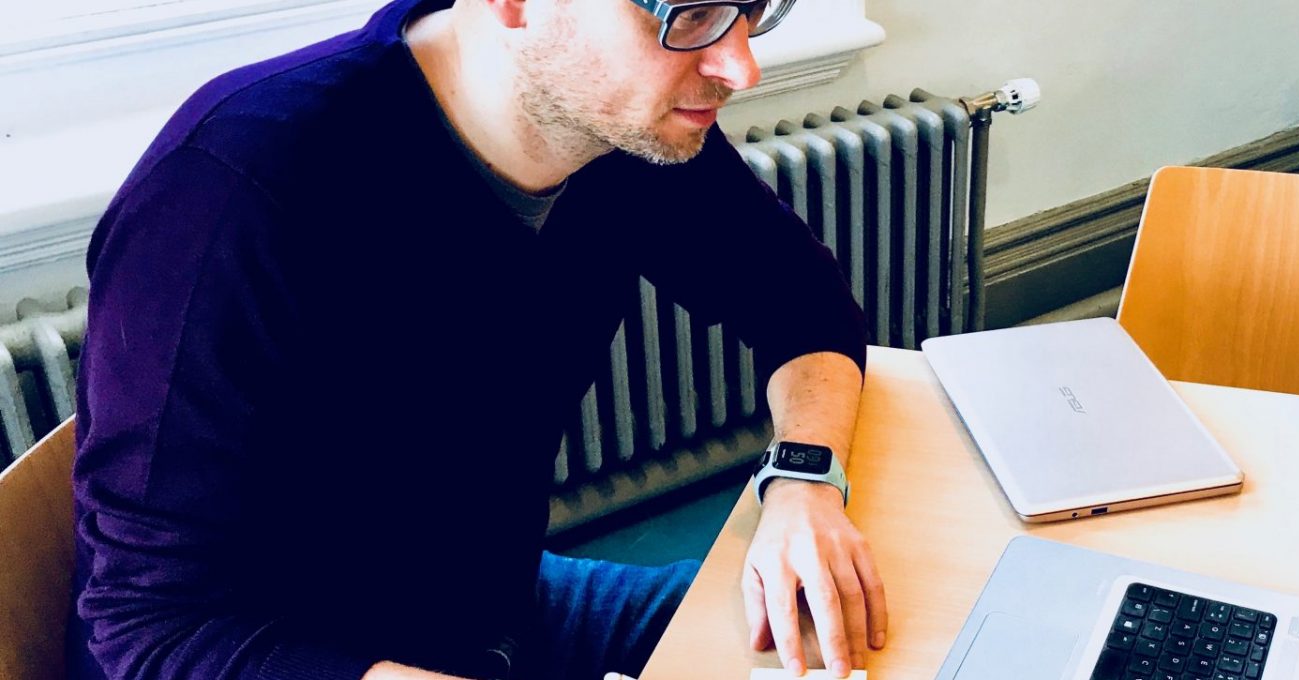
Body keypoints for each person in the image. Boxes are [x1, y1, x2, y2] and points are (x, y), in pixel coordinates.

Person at [67, 0, 887, 678]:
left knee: (866, 640)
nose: (740, 65)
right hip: (309, 655)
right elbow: (153, 630)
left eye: (750, 8)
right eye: (689, 13)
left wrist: (803, 484)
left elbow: (799, 301)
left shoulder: (621, 128)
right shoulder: (233, 194)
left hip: (496, 603)